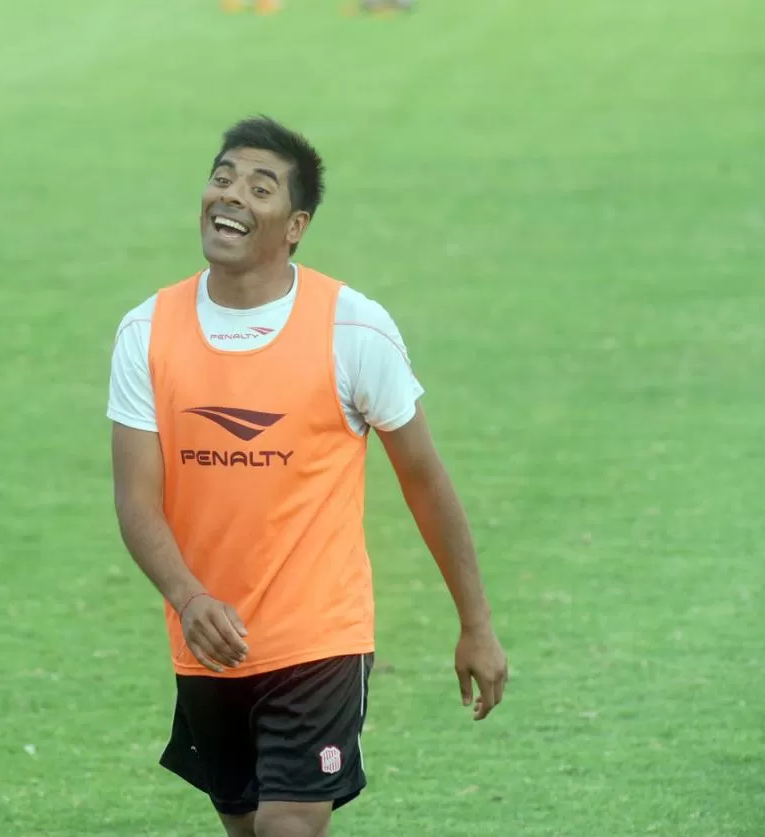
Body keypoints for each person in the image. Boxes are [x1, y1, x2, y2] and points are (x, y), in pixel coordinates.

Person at [107, 115, 508, 837]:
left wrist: (475, 623)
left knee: (287, 827)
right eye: (222, 177)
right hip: (206, 640)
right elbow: (135, 499)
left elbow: (424, 480)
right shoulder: (147, 330)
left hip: (320, 636)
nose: (230, 196)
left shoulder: (352, 328)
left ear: (294, 225)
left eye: (259, 188)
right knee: (244, 825)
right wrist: (188, 596)